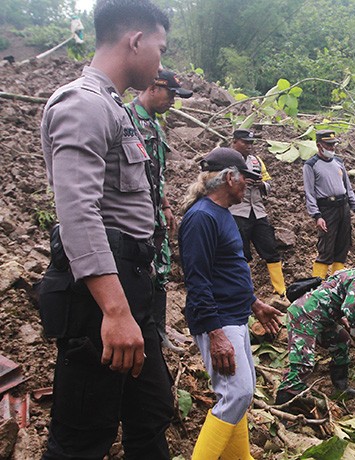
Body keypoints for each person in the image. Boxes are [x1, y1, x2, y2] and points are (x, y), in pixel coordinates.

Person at [38, 0, 173, 457]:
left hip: (134, 288)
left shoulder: (116, 110)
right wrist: (115, 313)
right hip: (100, 300)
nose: (161, 61)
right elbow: (77, 211)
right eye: (160, 47)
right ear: (135, 41)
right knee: (83, 436)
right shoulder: (84, 104)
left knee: (151, 415)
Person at [178, 147, 283, 459]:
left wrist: (254, 303)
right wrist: (215, 333)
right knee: (237, 393)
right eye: (245, 179)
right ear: (229, 177)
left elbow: (227, 270)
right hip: (217, 319)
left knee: (238, 395)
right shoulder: (200, 218)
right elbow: (197, 280)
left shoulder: (222, 215)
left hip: (233, 315)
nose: (248, 185)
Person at [125, 68, 192, 352]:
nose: (173, 101)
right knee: (139, 270)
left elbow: (157, 171)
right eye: (171, 94)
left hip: (154, 210)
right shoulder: (127, 118)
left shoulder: (155, 124)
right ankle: (142, 333)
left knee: (162, 268)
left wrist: (164, 205)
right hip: (133, 212)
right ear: (153, 88)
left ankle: (159, 332)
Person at [274, 249, 355, 405]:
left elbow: (333, 296)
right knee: (303, 364)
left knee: (342, 340)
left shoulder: (350, 272)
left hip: (319, 318)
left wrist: (340, 318)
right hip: (305, 316)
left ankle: (341, 388)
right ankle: (283, 406)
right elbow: (352, 307)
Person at [303, 129, 355, 278]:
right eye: (328, 145)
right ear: (319, 145)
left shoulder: (338, 162)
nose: (332, 148)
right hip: (326, 209)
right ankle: (317, 287)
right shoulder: (311, 165)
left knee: (342, 248)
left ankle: (336, 284)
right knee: (326, 248)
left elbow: (347, 187)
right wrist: (316, 216)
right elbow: (309, 193)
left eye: (333, 145)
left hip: (343, 207)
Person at [228, 129, 286, 297]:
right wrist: (241, 181)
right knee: (242, 253)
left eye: (251, 143)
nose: (249, 146)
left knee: (271, 249)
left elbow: (269, 182)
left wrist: (261, 185)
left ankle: (281, 290)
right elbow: (217, 182)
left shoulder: (256, 161)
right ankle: (245, 291)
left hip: (258, 211)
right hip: (237, 212)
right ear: (234, 142)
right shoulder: (227, 160)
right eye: (245, 142)